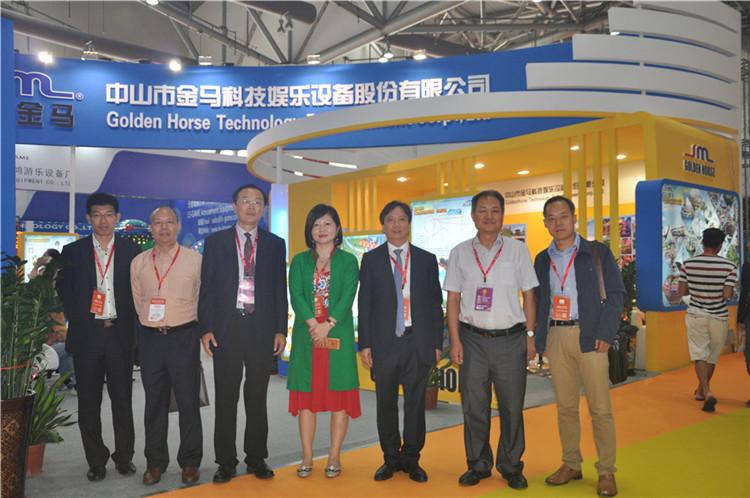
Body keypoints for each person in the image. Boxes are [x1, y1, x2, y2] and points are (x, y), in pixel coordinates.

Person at [443, 190, 538, 488]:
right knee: (474, 406)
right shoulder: (459, 252)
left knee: (512, 406)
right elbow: (453, 300)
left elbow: (530, 295)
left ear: (502, 216)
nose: (488, 216)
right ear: (473, 216)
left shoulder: (517, 250)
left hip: (511, 339)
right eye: (482, 210)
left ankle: (511, 465)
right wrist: (455, 341)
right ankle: (478, 464)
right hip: (471, 340)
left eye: (495, 210)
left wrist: (530, 337)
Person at [533, 196, 624, 497]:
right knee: (566, 408)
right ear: (545, 223)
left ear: (574, 218)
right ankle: (571, 463)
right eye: (551, 218)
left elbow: (616, 294)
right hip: (556, 336)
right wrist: (540, 339)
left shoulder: (597, 252)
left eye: (563, 216)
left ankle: (606, 471)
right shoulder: (542, 259)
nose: (557, 223)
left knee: (600, 409)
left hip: (591, 336)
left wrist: (606, 333)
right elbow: (539, 300)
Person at [198, 183, 288, 483]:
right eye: (245, 201)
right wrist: (206, 328)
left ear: (263, 208)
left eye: (257, 201)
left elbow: (279, 288)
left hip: (262, 328)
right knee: (226, 397)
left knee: (257, 396)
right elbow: (207, 289)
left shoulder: (275, 244)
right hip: (227, 328)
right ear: (235, 206)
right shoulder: (216, 242)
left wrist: (280, 329)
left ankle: (256, 457)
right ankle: (225, 461)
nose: (251, 206)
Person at [56, 192, 142, 481]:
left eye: (108, 214)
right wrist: (80, 316)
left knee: (122, 400)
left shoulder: (132, 250)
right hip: (87, 337)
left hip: (120, 334)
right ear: (88, 218)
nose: (102, 220)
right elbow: (64, 290)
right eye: (96, 215)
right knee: (88, 403)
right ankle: (96, 461)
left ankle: (124, 457)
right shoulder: (73, 251)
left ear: (117, 217)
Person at [359, 201, 444, 483]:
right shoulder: (371, 260)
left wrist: (436, 342)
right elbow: (365, 304)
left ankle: (412, 459)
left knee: (415, 404)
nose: (396, 225)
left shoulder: (426, 259)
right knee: (385, 402)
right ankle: (390, 458)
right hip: (384, 343)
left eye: (402, 219)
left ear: (409, 223)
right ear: (383, 225)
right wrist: (365, 344)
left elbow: (435, 304)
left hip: (417, 341)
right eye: (390, 220)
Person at [287, 204, 360, 479]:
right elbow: (296, 295)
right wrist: (314, 325)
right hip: (308, 336)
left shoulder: (349, 261)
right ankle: (307, 456)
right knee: (306, 398)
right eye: (316, 224)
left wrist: (327, 325)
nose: (322, 229)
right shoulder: (299, 261)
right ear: (310, 230)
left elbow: (347, 296)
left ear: (337, 228)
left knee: (339, 398)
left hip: (337, 335)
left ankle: (334, 455)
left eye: (327, 224)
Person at [130, 206, 203, 485]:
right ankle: (155, 462)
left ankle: (190, 461)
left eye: (169, 222)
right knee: (154, 403)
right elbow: (139, 302)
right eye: (158, 223)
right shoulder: (138, 262)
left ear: (178, 226)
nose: (164, 227)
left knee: (188, 402)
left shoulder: (195, 260)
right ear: (151, 227)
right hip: (150, 340)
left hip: (184, 337)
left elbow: (202, 299)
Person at [678, 227, 737, 413]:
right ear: (720, 246)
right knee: (712, 356)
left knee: (699, 354)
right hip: (719, 316)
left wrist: (695, 290)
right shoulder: (729, 267)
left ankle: (704, 390)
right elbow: (727, 295)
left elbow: (682, 291)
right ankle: (704, 391)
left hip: (696, 314)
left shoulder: (688, 264)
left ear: (702, 242)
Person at [735, 240, 750, 408]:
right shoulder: (746, 266)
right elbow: (745, 293)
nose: (747, 246)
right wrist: (740, 317)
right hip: (749, 316)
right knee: (749, 355)